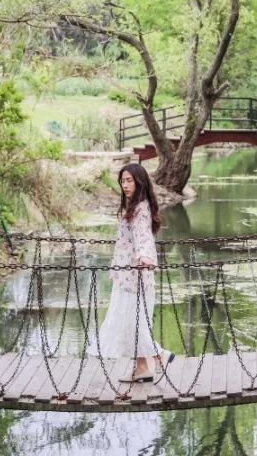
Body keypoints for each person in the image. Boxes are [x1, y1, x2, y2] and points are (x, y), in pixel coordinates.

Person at [95, 163, 174, 382]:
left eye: (129, 180)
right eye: (122, 181)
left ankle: (160, 356)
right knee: (133, 321)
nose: (125, 185)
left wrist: (144, 256)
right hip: (126, 275)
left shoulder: (141, 208)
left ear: (140, 181)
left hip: (135, 275)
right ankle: (142, 368)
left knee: (133, 320)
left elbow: (143, 236)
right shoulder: (135, 205)